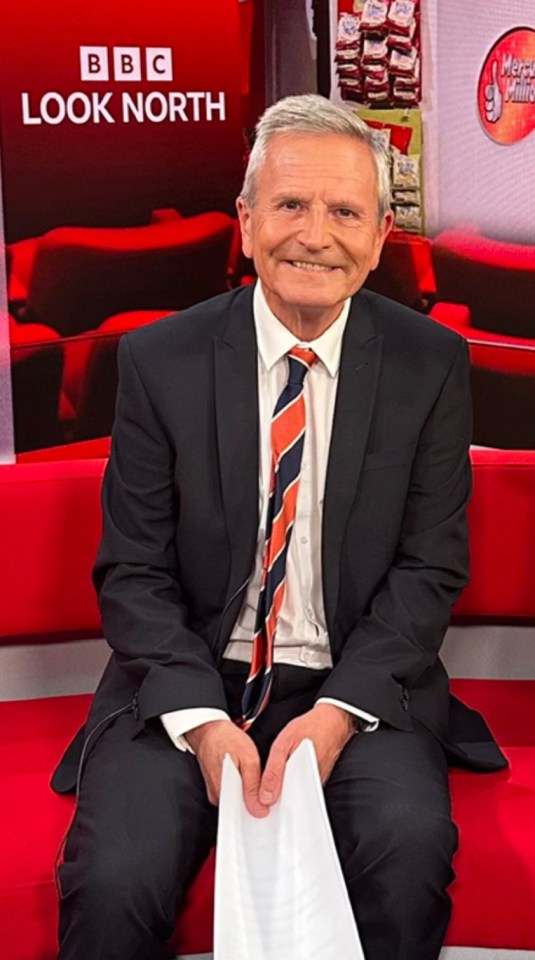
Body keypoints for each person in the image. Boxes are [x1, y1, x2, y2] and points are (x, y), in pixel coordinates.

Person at [53, 93, 507, 960]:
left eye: (343, 212)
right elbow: (133, 572)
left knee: (407, 855)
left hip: (359, 683)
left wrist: (338, 713)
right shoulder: (160, 360)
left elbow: (429, 567)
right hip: (190, 682)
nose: (314, 234)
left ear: (378, 237)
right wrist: (203, 721)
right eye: (290, 205)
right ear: (247, 220)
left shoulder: (429, 363)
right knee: (116, 881)